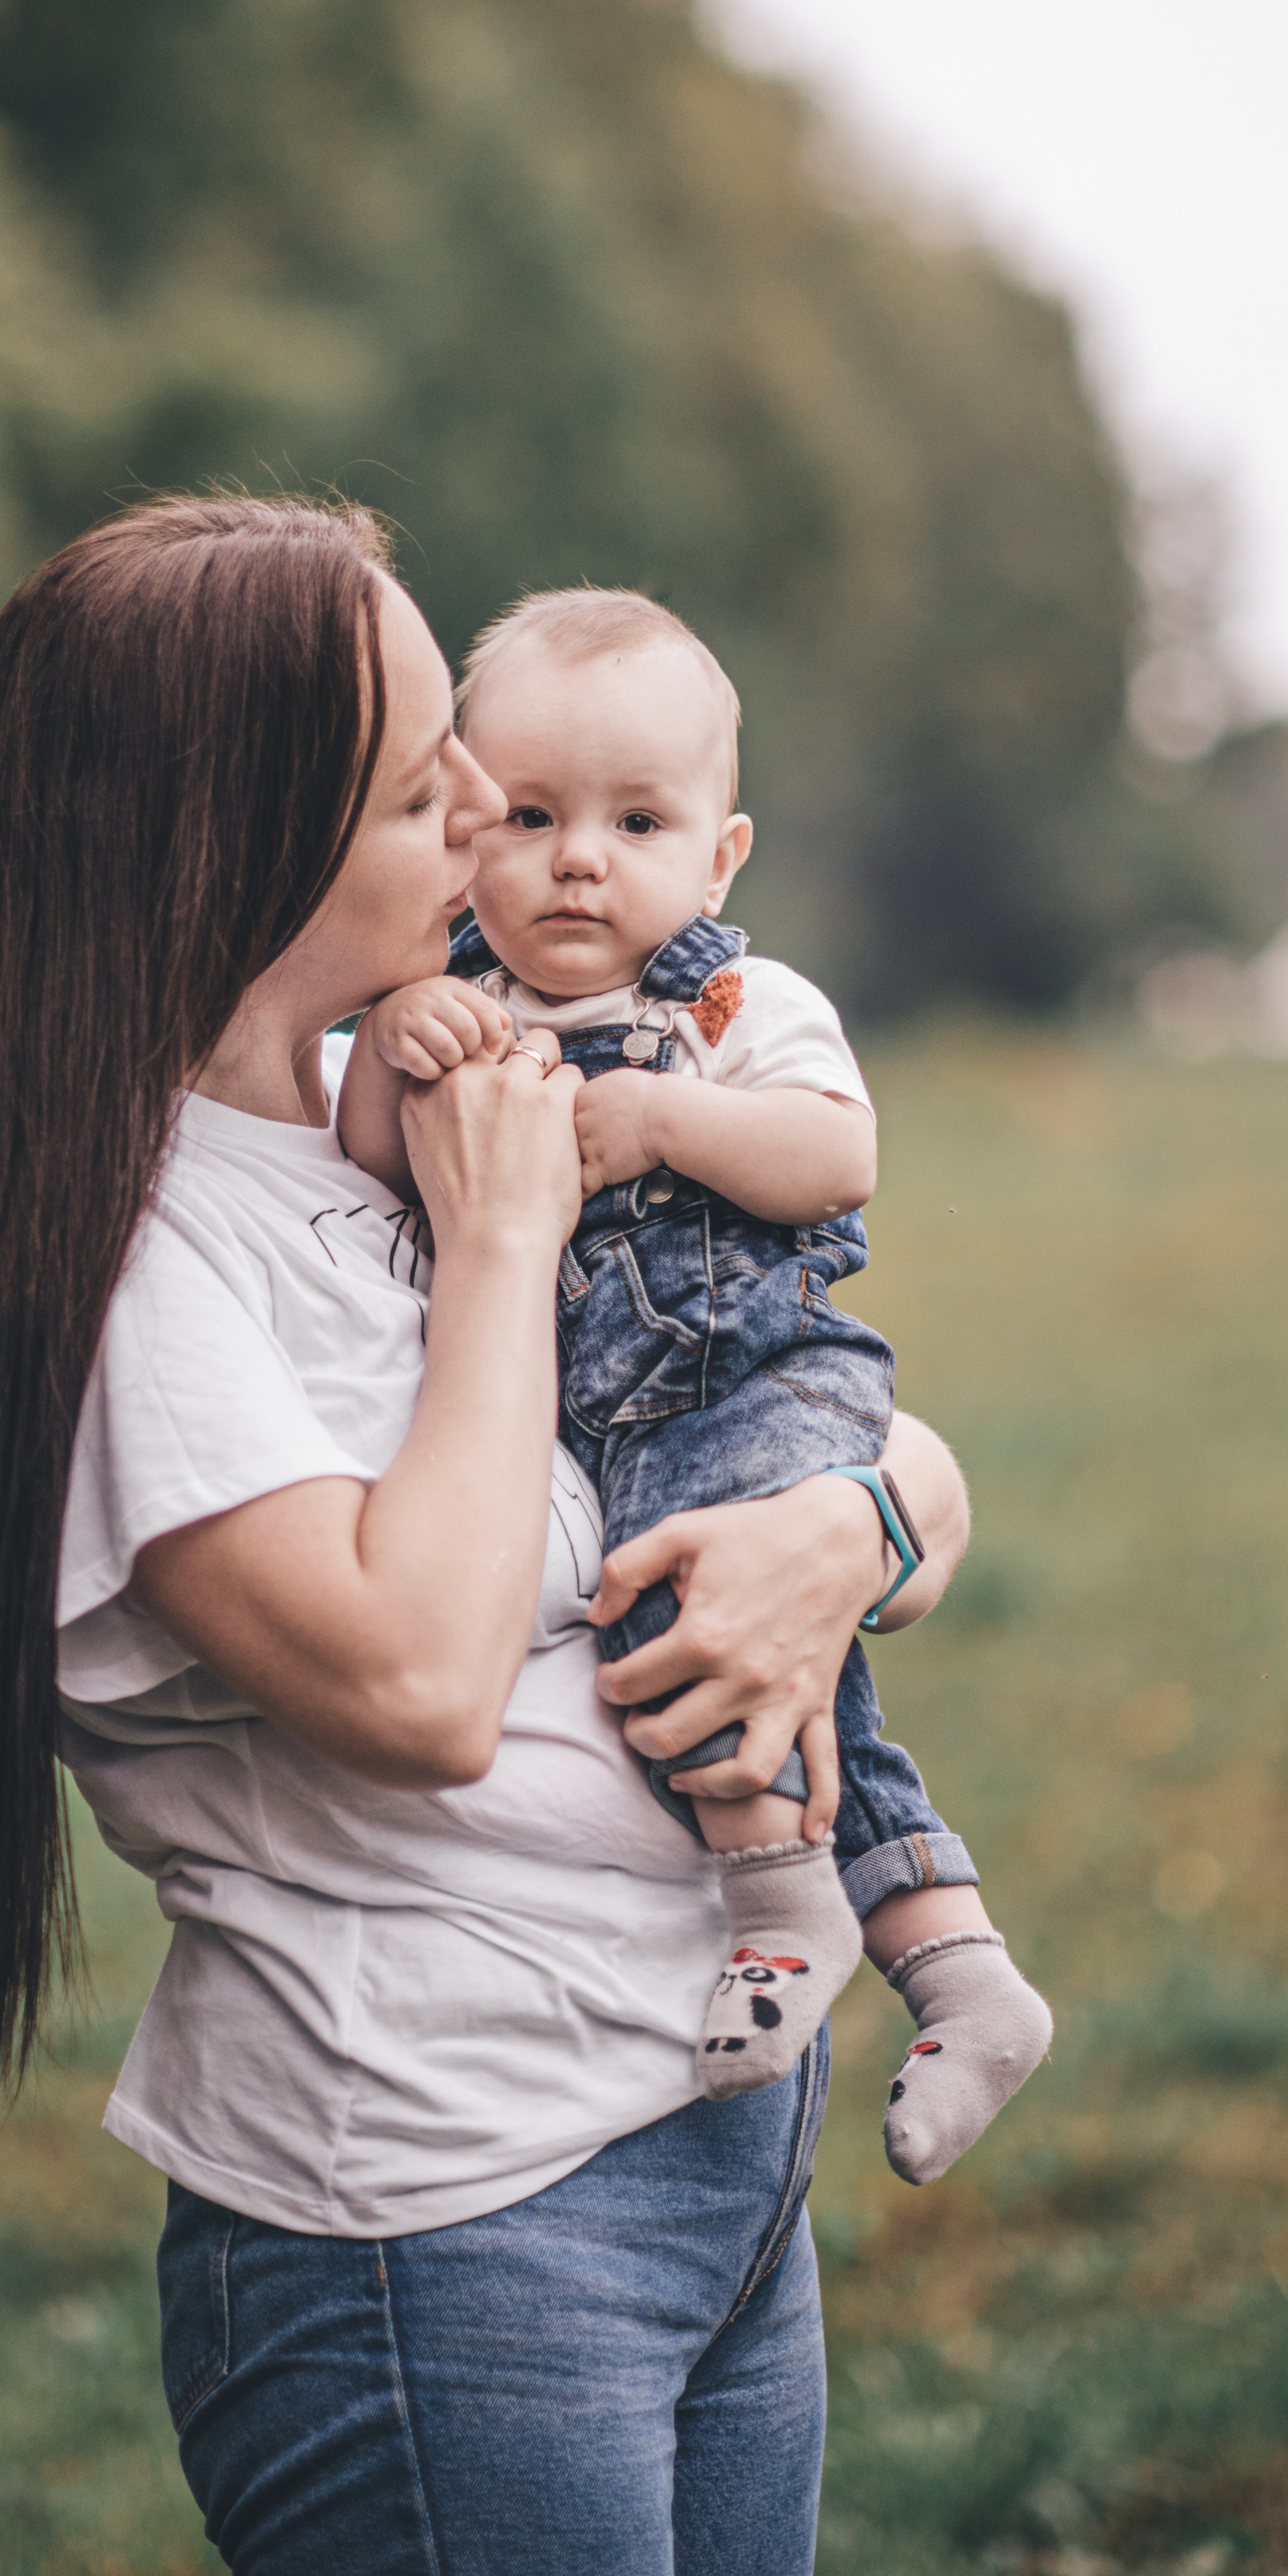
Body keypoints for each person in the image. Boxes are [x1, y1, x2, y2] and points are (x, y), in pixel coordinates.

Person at [0, 496, 973, 2576]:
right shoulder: (138, 1260)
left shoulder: (406, 1104)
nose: (486, 812)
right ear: (230, 851)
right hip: (448, 2225)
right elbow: (425, 1676)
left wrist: (858, 1532)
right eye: (418, 780)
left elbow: (842, 1433)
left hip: (715, 2150)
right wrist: (501, 1244)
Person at [340, 589, 1052, 2176]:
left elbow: (834, 1156)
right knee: (797, 1677)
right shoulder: (458, 1001)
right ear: (464, 828)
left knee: (693, 1605)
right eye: (528, 815)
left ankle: (777, 1909)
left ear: (718, 855)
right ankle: (958, 1970)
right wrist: (399, 1041)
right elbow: (369, 1166)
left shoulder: (734, 1006)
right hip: (588, 1419)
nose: (578, 857)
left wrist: (664, 1123)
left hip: (755, 1381)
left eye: (635, 820)